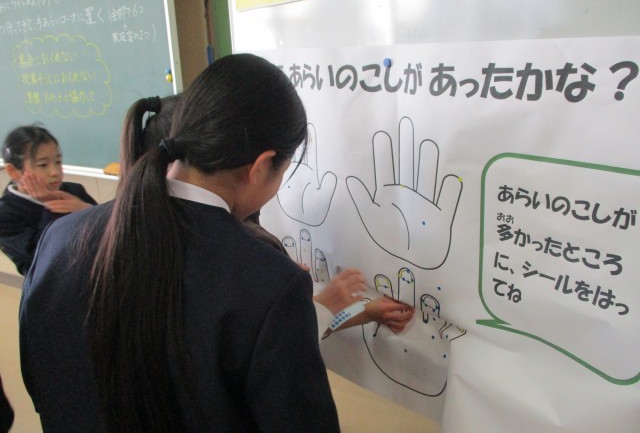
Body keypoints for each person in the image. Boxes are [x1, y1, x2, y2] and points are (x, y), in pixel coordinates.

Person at [19, 54, 340, 433]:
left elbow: (40, 383)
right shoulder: (270, 283)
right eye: (283, 171)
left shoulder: (59, 238)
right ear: (260, 166)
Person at [121, 94, 414, 340]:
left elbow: (288, 324)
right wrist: (309, 299)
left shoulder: (131, 228)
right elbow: (283, 337)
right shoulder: (240, 254)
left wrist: (363, 311)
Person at [0, 125, 97, 275]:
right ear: (13, 171)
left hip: (95, 273)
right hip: (57, 285)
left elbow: (110, 230)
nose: (55, 172)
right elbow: (45, 255)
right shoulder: (5, 214)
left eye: (58, 161)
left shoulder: (74, 190)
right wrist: (50, 205)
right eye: (43, 165)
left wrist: (87, 209)